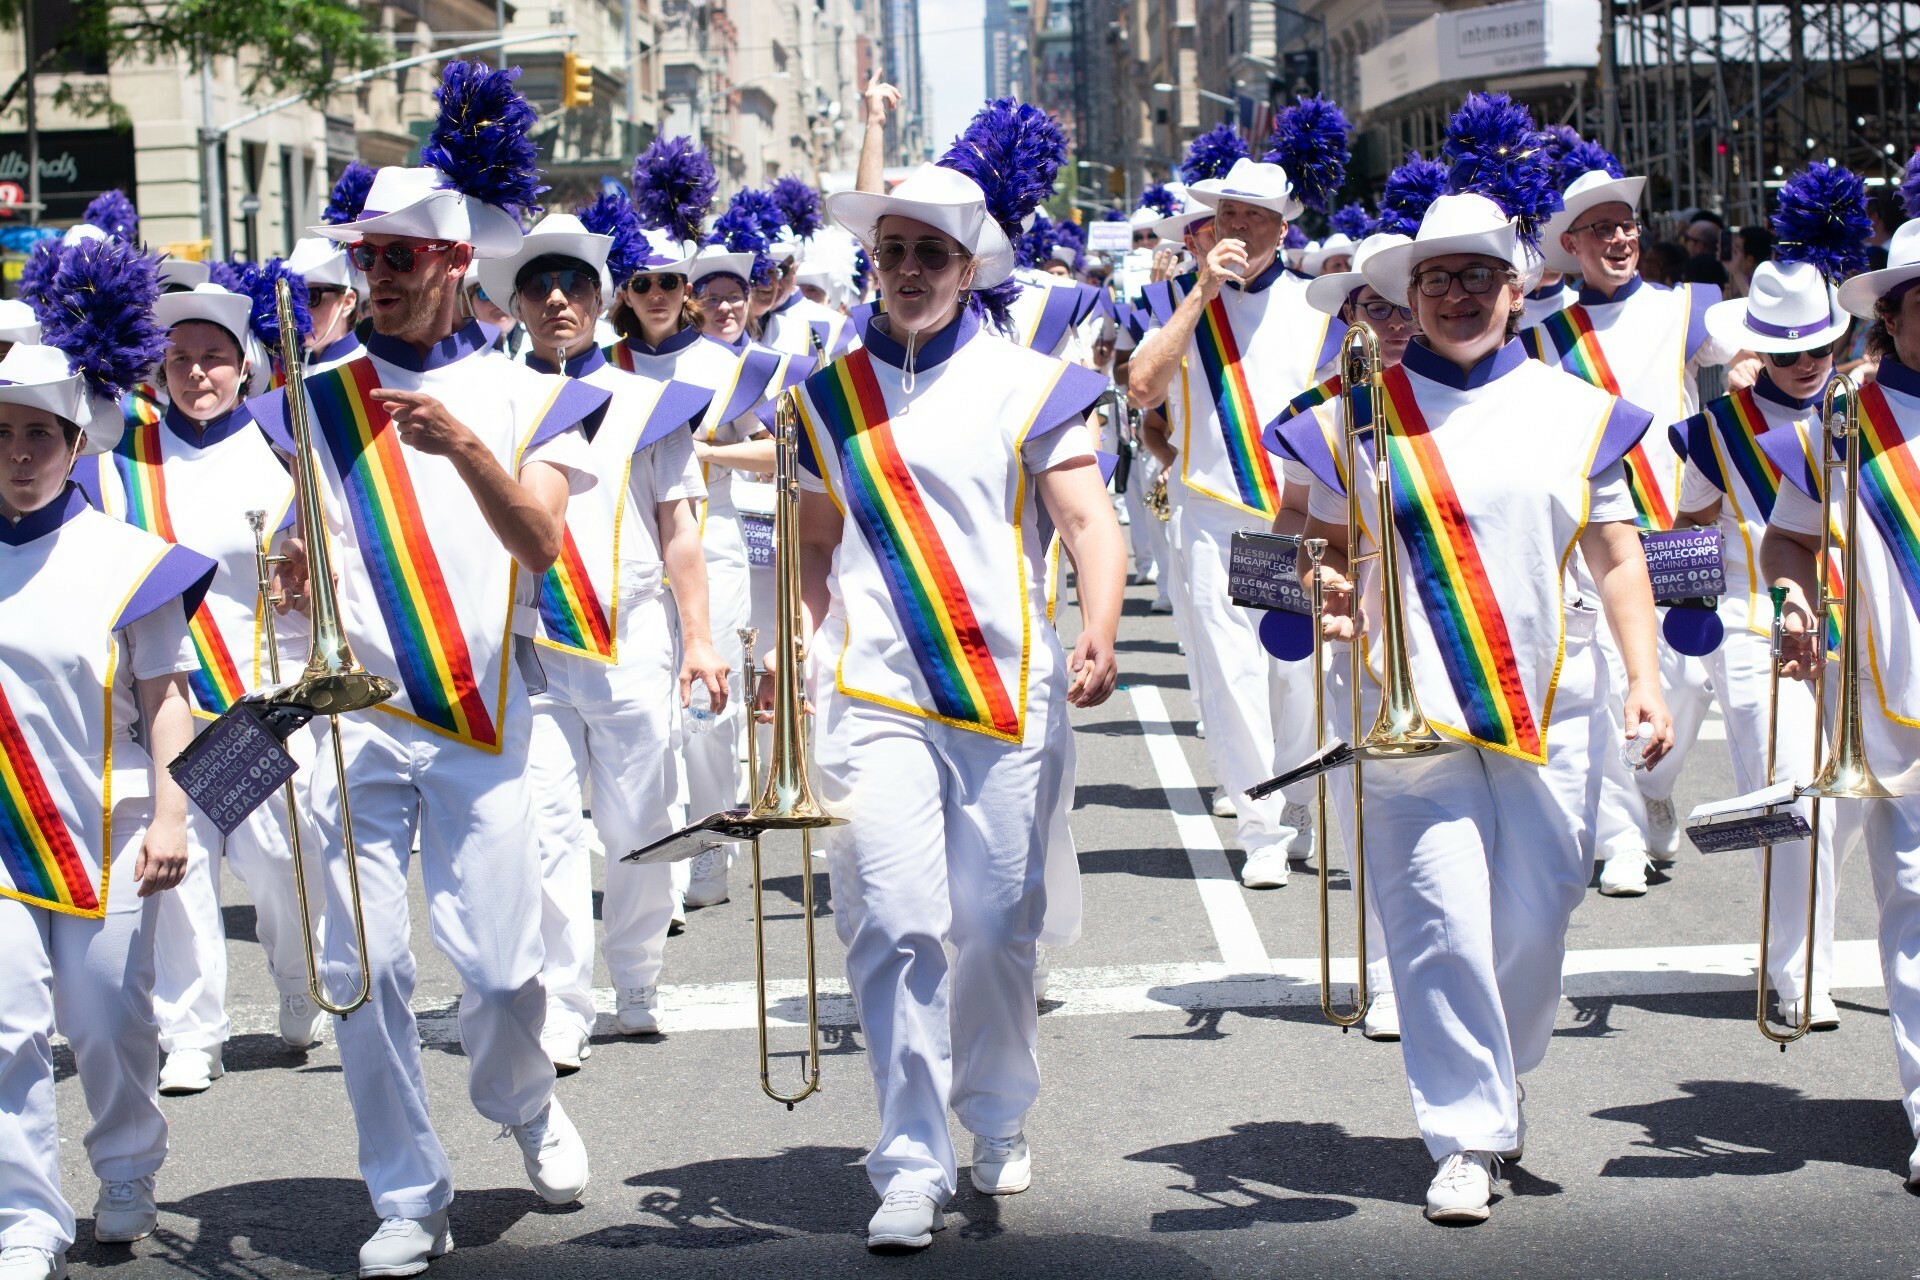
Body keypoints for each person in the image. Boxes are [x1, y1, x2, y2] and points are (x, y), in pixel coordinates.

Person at [250, 62, 601, 1276]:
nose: (379, 276)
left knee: (503, 974)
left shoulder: (535, 395)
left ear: (457, 263)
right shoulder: (307, 399)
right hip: (353, 723)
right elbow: (304, 533)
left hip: (482, 718)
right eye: (368, 257)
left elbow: (543, 543)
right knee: (366, 967)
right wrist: (291, 561)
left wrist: (461, 449)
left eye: (402, 256)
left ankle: (522, 1100)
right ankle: (406, 1188)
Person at [1279, 185, 1671, 1224]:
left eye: (1479, 276)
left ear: (1520, 286)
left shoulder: (1577, 411)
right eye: (1437, 278)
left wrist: (1646, 675)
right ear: (1407, 294)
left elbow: (1619, 556)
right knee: (1437, 923)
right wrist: (1309, 591)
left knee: (1537, 918)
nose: (1457, 294)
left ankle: (1501, 1066)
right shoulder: (1350, 417)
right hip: (1405, 710)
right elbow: (1283, 549)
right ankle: (1467, 1131)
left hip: (1553, 701)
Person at [804, 153, 1124, 1251]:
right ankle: (905, 1158)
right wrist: (802, 643)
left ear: (968, 264)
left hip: (999, 690)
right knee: (894, 924)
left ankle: (993, 1108)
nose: (905, 269)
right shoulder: (825, 394)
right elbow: (811, 543)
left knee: (993, 924)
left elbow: (1087, 522)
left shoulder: (1031, 382)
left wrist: (1101, 622)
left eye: (927, 253)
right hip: (873, 690)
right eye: (889, 252)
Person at [0, 241, 212, 1280]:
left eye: (41, 431)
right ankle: (24, 1215)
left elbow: (167, 696)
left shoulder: (131, 559)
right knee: (4, 1032)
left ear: (77, 441)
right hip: (0, 839)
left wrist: (174, 816)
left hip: (108, 829)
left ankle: (127, 1164)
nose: (21, 450)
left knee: (108, 1028)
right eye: (1, 432)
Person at [475, 212, 723, 1074]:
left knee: (639, 820)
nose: (556, 301)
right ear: (515, 304)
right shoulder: (489, 396)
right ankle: (564, 1005)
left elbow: (679, 530)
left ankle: (637, 977)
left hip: (632, 641)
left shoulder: (649, 404)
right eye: (539, 287)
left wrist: (699, 639)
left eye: (573, 285)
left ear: (600, 298)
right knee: (542, 831)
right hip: (532, 647)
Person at [85, 281, 326, 1095]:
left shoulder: (279, 445)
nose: (197, 374)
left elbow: (322, 557)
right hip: (171, 698)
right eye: (180, 360)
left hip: (264, 697)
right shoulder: (125, 460)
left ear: (244, 366)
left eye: (214, 358)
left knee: (281, 866)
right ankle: (195, 1032)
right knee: (181, 872)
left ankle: (299, 983)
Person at [1128, 155, 1343, 887]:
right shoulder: (1176, 303)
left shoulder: (1319, 309)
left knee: (1296, 673)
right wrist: (1201, 296)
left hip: (1293, 517)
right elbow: (1140, 388)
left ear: (1283, 229)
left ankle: (1297, 791)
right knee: (1230, 676)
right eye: (1228, 215)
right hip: (1210, 515)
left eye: (1255, 217)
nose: (1240, 228)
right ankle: (1261, 826)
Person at [1527, 156, 1736, 894]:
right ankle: (1619, 837)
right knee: (1616, 678)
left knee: (1684, 679)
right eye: (1601, 230)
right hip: (1597, 531)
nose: (1619, 238)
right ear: (1572, 245)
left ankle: (1650, 789)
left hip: (1680, 522)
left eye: (1626, 225)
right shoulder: (1546, 332)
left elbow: (1749, 372)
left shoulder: (1690, 306)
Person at [1764, 207, 1920, 1190]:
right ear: (1894, 317)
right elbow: (1786, 539)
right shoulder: (1846, 418)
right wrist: (1787, 594)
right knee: (1915, 906)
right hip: (1898, 709)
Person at [1667, 254, 1855, 1029]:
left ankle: (1796, 930)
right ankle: (1799, 970)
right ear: (1758, 353)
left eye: (1820, 348)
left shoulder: (1862, 410)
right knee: (1794, 794)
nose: (1807, 365)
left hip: (1865, 630)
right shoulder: (1717, 431)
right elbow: (1691, 524)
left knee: (1847, 808)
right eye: (1787, 353)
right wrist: (1686, 610)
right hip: (1755, 628)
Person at [617, 145, 802, 929]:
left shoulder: (737, 367)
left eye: (670, 284)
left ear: (687, 294)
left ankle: (714, 842)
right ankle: (661, 851)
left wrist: (706, 453)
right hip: (630, 548)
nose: (658, 295)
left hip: (718, 539)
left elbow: (785, 451)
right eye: (642, 284)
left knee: (708, 705)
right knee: (642, 714)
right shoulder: (603, 367)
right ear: (625, 294)